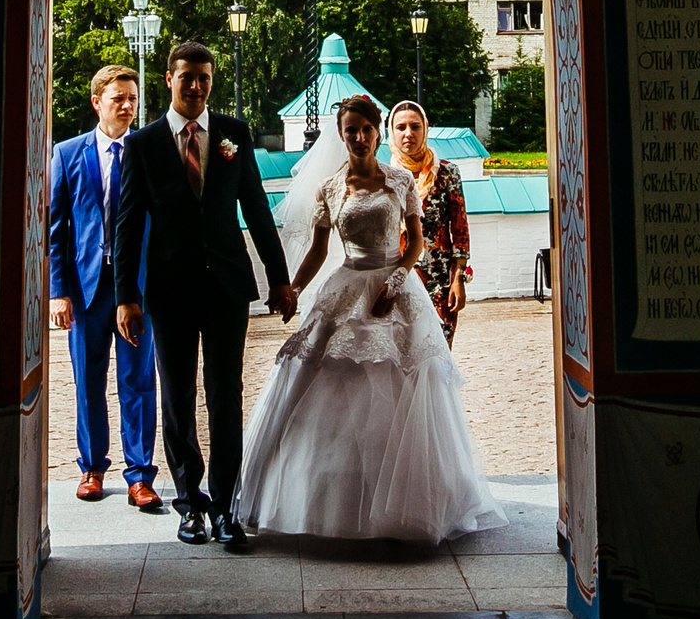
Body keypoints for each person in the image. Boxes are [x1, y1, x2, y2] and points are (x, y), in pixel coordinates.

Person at [231, 98, 507, 544]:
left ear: (377, 132)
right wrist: (295, 289)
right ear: (341, 135)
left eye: (365, 129)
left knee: (404, 385)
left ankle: (408, 500)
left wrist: (396, 281)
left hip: (395, 286)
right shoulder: (330, 186)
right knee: (331, 383)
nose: (358, 138)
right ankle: (336, 500)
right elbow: (320, 251)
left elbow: (415, 242)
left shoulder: (399, 180)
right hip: (347, 285)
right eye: (350, 131)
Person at [112, 41, 295, 547]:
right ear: (169, 80)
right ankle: (189, 503)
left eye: (204, 78)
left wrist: (280, 279)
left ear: (212, 81)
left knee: (224, 396)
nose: (196, 86)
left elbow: (257, 209)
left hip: (225, 286)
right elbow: (126, 225)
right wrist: (126, 294)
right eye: (187, 77)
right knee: (177, 396)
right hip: (168, 290)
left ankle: (226, 506)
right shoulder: (143, 144)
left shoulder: (234, 135)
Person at [47, 65, 162, 511]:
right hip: (86, 289)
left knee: (138, 380)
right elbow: (58, 229)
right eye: (119, 98)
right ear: (98, 102)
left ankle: (140, 475)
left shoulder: (148, 151)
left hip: (135, 288)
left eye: (133, 98)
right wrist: (58, 291)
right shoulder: (68, 153)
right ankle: (92, 467)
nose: (128, 106)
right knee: (87, 380)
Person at [388, 101, 474, 345]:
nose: (408, 134)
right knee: (403, 355)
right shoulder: (384, 176)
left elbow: (460, 228)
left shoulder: (446, 173)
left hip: (440, 282)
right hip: (399, 278)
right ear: (391, 132)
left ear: (425, 128)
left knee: (438, 355)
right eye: (401, 127)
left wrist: (459, 278)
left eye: (415, 126)